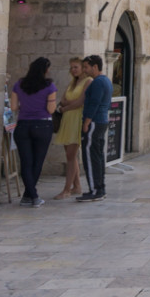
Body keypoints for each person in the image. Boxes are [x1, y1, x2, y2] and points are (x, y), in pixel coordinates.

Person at [9, 57, 58, 207]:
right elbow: (51, 110)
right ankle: (34, 196)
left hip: (23, 126)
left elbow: (13, 107)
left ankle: (27, 196)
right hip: (42, 126)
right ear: (45, 70)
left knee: (26, 162)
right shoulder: (49, 86)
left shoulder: (19, 84)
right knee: (37, 162)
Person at [54, 57, 93, 199]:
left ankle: (66, 190)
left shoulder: (88, 81)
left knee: (71, 155)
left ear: (83, 67)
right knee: (71, 155)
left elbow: (80, 102)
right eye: (71, 67)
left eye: (75, 67)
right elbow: (63, 99)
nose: (73, 70)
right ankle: (76, 186)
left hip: (77, 120)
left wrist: (66, 108)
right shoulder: (73, 82)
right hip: (67, 121)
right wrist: (69, 104)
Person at [78, 55, 113, 202]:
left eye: (86, 67)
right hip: (102, 121)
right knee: (98, 156)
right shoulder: (106, 81)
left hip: (94, 122)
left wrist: (86, 122)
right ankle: (100, 188)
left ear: (95, 67)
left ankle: (95, 190)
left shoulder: (98, 82)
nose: (84, 70)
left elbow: (94, 103)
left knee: (90, 157)